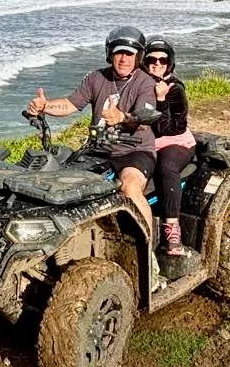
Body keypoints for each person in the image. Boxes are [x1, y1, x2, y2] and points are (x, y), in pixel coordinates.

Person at [27, 26, 158, 235]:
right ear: (110, 54)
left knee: (130, 189)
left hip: (135, 152)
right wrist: (46, 106)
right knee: (64, 187)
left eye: (129, 54)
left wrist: (123, 117)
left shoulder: (145, 82)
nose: (123, 59)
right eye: (118, 52)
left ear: (138, 57)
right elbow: (70, 104)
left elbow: (144, 118)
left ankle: (149, 252)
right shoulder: (96, 78)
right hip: (98, 150)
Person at [142, 36, 197, 260]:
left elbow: (167, 128)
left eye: (162, 60)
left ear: (169, 63)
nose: (157, 64)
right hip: (144, 143)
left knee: (166, 167)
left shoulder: (175, 89)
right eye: (151, 59)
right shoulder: (140, 85)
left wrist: (161, 99)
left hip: (175, 141)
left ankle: (172, 230)